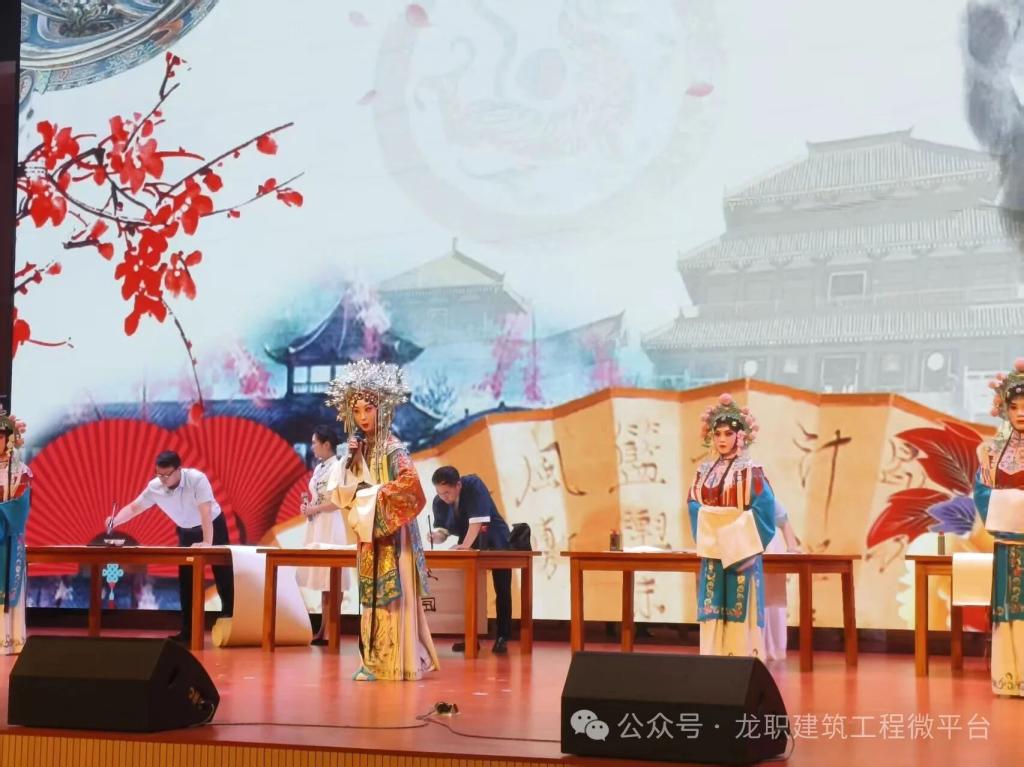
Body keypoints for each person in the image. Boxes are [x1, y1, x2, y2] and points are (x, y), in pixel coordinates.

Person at [325, 360, 439, 681]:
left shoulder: (393, 448)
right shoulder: (359, 448)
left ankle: (397, 661)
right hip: (369, 531)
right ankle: (373, 660)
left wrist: (373, 495)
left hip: (392, 531)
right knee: (370, 594)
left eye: (368, 409)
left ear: (382, 409)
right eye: (356, 411)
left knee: (393, 593)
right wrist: (351, 460)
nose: (362, 417)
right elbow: (342, 489)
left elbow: (411, 486)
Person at [108, 451, 233, 643]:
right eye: (159, 474)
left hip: (212, 526)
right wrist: (115, 521)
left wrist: (207, 543)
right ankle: (188, 632)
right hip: (186, 531)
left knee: (223, 576)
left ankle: (230, 626)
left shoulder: (197, 479)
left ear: (179, 470)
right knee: (186, 580)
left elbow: (206, 512)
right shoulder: (155, 486)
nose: (163, 479)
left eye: (167, 475)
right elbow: (135, 507)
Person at [687, 393, 776, 658]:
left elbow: (764, 509)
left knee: (740, 608)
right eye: (717, 434)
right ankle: (712, 661)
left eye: (728, 433)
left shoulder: (751, 471)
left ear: (740, 436)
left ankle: (742, 665)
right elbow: (693, 502)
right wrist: (712, 522)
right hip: (713, 551)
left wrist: (731, 530)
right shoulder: (704, 471)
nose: (722, 439)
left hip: (740, 552)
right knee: (712, 607)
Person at [974, 358, 1024, 696]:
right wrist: (1012, 506)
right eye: (1014, 407)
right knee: (1010, 611)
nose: (1021, 413)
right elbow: (981, 491)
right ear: (1004, 410)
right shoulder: (991, 454)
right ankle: (1010, 678)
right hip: (1008, 545)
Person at [430, 466, 512, 654]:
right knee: (466, 591)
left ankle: (503, 636)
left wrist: (465, 546)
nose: (444, 497)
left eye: (447, 492)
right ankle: (470, 636)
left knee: (502, 588)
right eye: (440, 493)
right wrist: (436, 536)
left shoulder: (474, 485)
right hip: (468, 542)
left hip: (494, 539)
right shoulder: (439, 501)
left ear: (458, 485)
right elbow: (443, 532)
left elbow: (477, 521)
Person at [296, 425, 353, 646]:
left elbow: (338, 502)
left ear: (326, 444)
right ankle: (322, 628)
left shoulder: (339, 466)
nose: (312, 447)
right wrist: (308, 507)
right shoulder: (319, 467)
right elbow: (317, 498)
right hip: (317, 524)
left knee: (332, 577)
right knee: (322, 578)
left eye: (314, 443)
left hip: (331, 525)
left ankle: (332, 628)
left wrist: (315, 508)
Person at [0, 411, 30, 655]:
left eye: (1, 435)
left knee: (10, 586)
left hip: (8, 538)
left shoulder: (20, 470)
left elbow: (21, 505)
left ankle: (9, 639)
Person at [762, 500, 802, 661]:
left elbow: (783, 519)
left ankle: (769, 648)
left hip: (767, 547)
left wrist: (792, 548)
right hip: (738, 545)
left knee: (770, 600)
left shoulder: (760, 490)